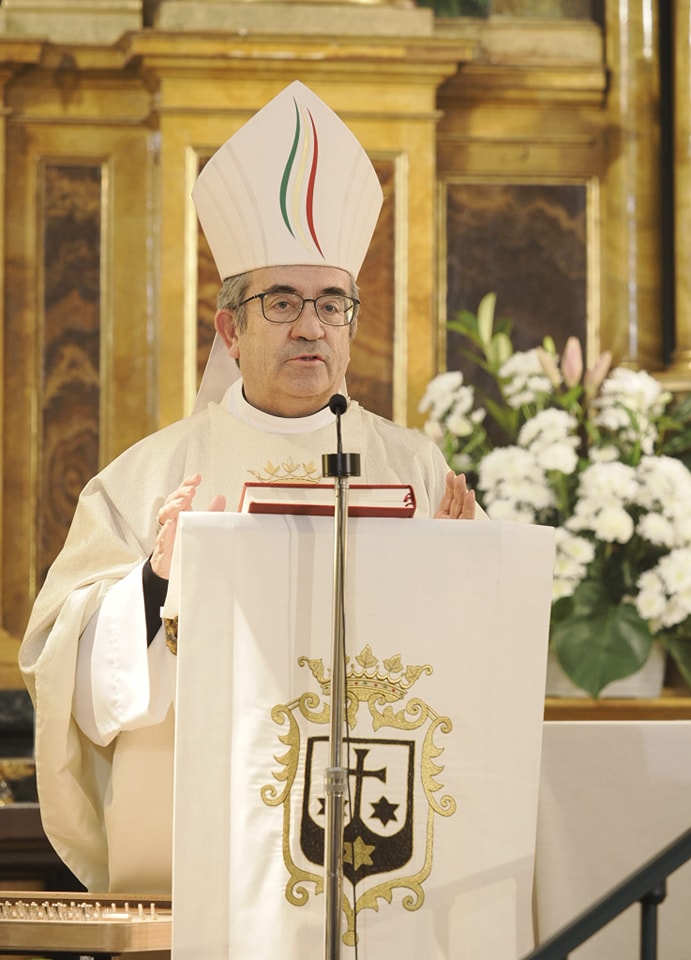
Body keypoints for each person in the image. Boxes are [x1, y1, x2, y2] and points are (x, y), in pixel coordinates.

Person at [18, 81, 482, 895]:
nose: (311, 325)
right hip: (208, 838)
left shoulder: (418, 472)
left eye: (331, 302)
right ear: (230, 329)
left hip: (379, 837)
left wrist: (471, 571)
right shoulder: (149, 477)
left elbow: (473, 671)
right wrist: (151, 584)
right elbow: (59, 662)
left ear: (351, 322)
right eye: (282, 302)